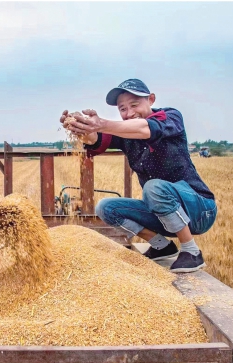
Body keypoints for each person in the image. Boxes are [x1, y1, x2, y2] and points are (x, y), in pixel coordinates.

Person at [60, 78, 217, 273]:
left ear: (151, 99)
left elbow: (146, 128)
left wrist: (100, 123)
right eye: (123, 109)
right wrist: (82, 128)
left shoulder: (170, 117)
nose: (129, 113)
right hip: (162, 214)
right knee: (106, 208)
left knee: (153, 187)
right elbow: (95, 139)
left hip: (199, 210)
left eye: (135, 104)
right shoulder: (125, 134)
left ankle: (191, 252)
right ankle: (162, 246)